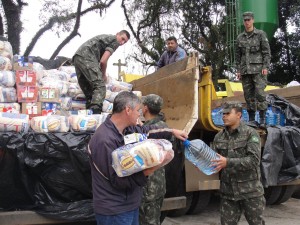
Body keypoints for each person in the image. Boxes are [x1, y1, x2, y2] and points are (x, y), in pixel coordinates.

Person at [88, 91, 188, 225]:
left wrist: (172, 132)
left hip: (130, 204)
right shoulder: (104, 140)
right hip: (115, 210)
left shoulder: (128, 129)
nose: (140, 115)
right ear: (127, 110)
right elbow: (118, 180)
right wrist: (154, 166)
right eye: (138, 111)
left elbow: (147, 131)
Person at [211, 101, 265, 225]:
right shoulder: (219, 137)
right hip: (228, 193)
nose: (224, 116)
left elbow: (254, 161)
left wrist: (227, 162)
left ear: (239, 115)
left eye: (228, 113)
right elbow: (214, 160)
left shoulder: (251, 134)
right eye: (223, 114)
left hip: (250, 192)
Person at [73, 30, 130, 114]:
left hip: (77, 57)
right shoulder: (115, 40)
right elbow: (103, 61)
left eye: (124, 42)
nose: (122, 43)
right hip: (87, 56)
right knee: (100, 86)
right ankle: (95, 115)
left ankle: (88, 118)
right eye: (122, 39)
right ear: (117, 34)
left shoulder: (107, 38)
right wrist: (103, 75)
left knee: (90, 92)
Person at [235, 12, 271, 128]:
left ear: (253, 20)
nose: (247, 22)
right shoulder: (240, 38)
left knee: (260, 94)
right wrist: (239, 70)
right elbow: (238, 56)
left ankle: (262, 119)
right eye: (245, 20)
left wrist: (265, 67)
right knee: (248, 95)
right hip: (245, 71)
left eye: (249, 20)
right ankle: (251, 119)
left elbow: (266, 52)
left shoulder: (260, 34)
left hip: (258, 70)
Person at [139, 94, 168, 225]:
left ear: (145, 108)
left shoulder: (149, 130)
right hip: (159, 184)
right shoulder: (164, 126)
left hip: (148, 187)